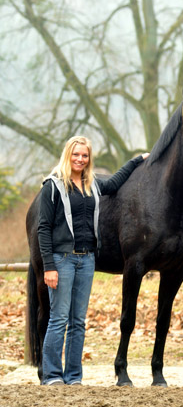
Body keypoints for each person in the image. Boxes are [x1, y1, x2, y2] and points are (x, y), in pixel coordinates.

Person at [38, 135, 149, 386]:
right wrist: (49, 266)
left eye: (85, 155)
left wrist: (136, 160)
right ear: (68, 155)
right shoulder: (53, 186)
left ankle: (74, 376)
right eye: (76, 154)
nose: (80, 159)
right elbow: (43, 229)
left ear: (89, 159)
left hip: (87, 260)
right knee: (59, 318)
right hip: (62, 260)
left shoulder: (92, 185)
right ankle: (53, 376)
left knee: (78, 321)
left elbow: (116, 181)